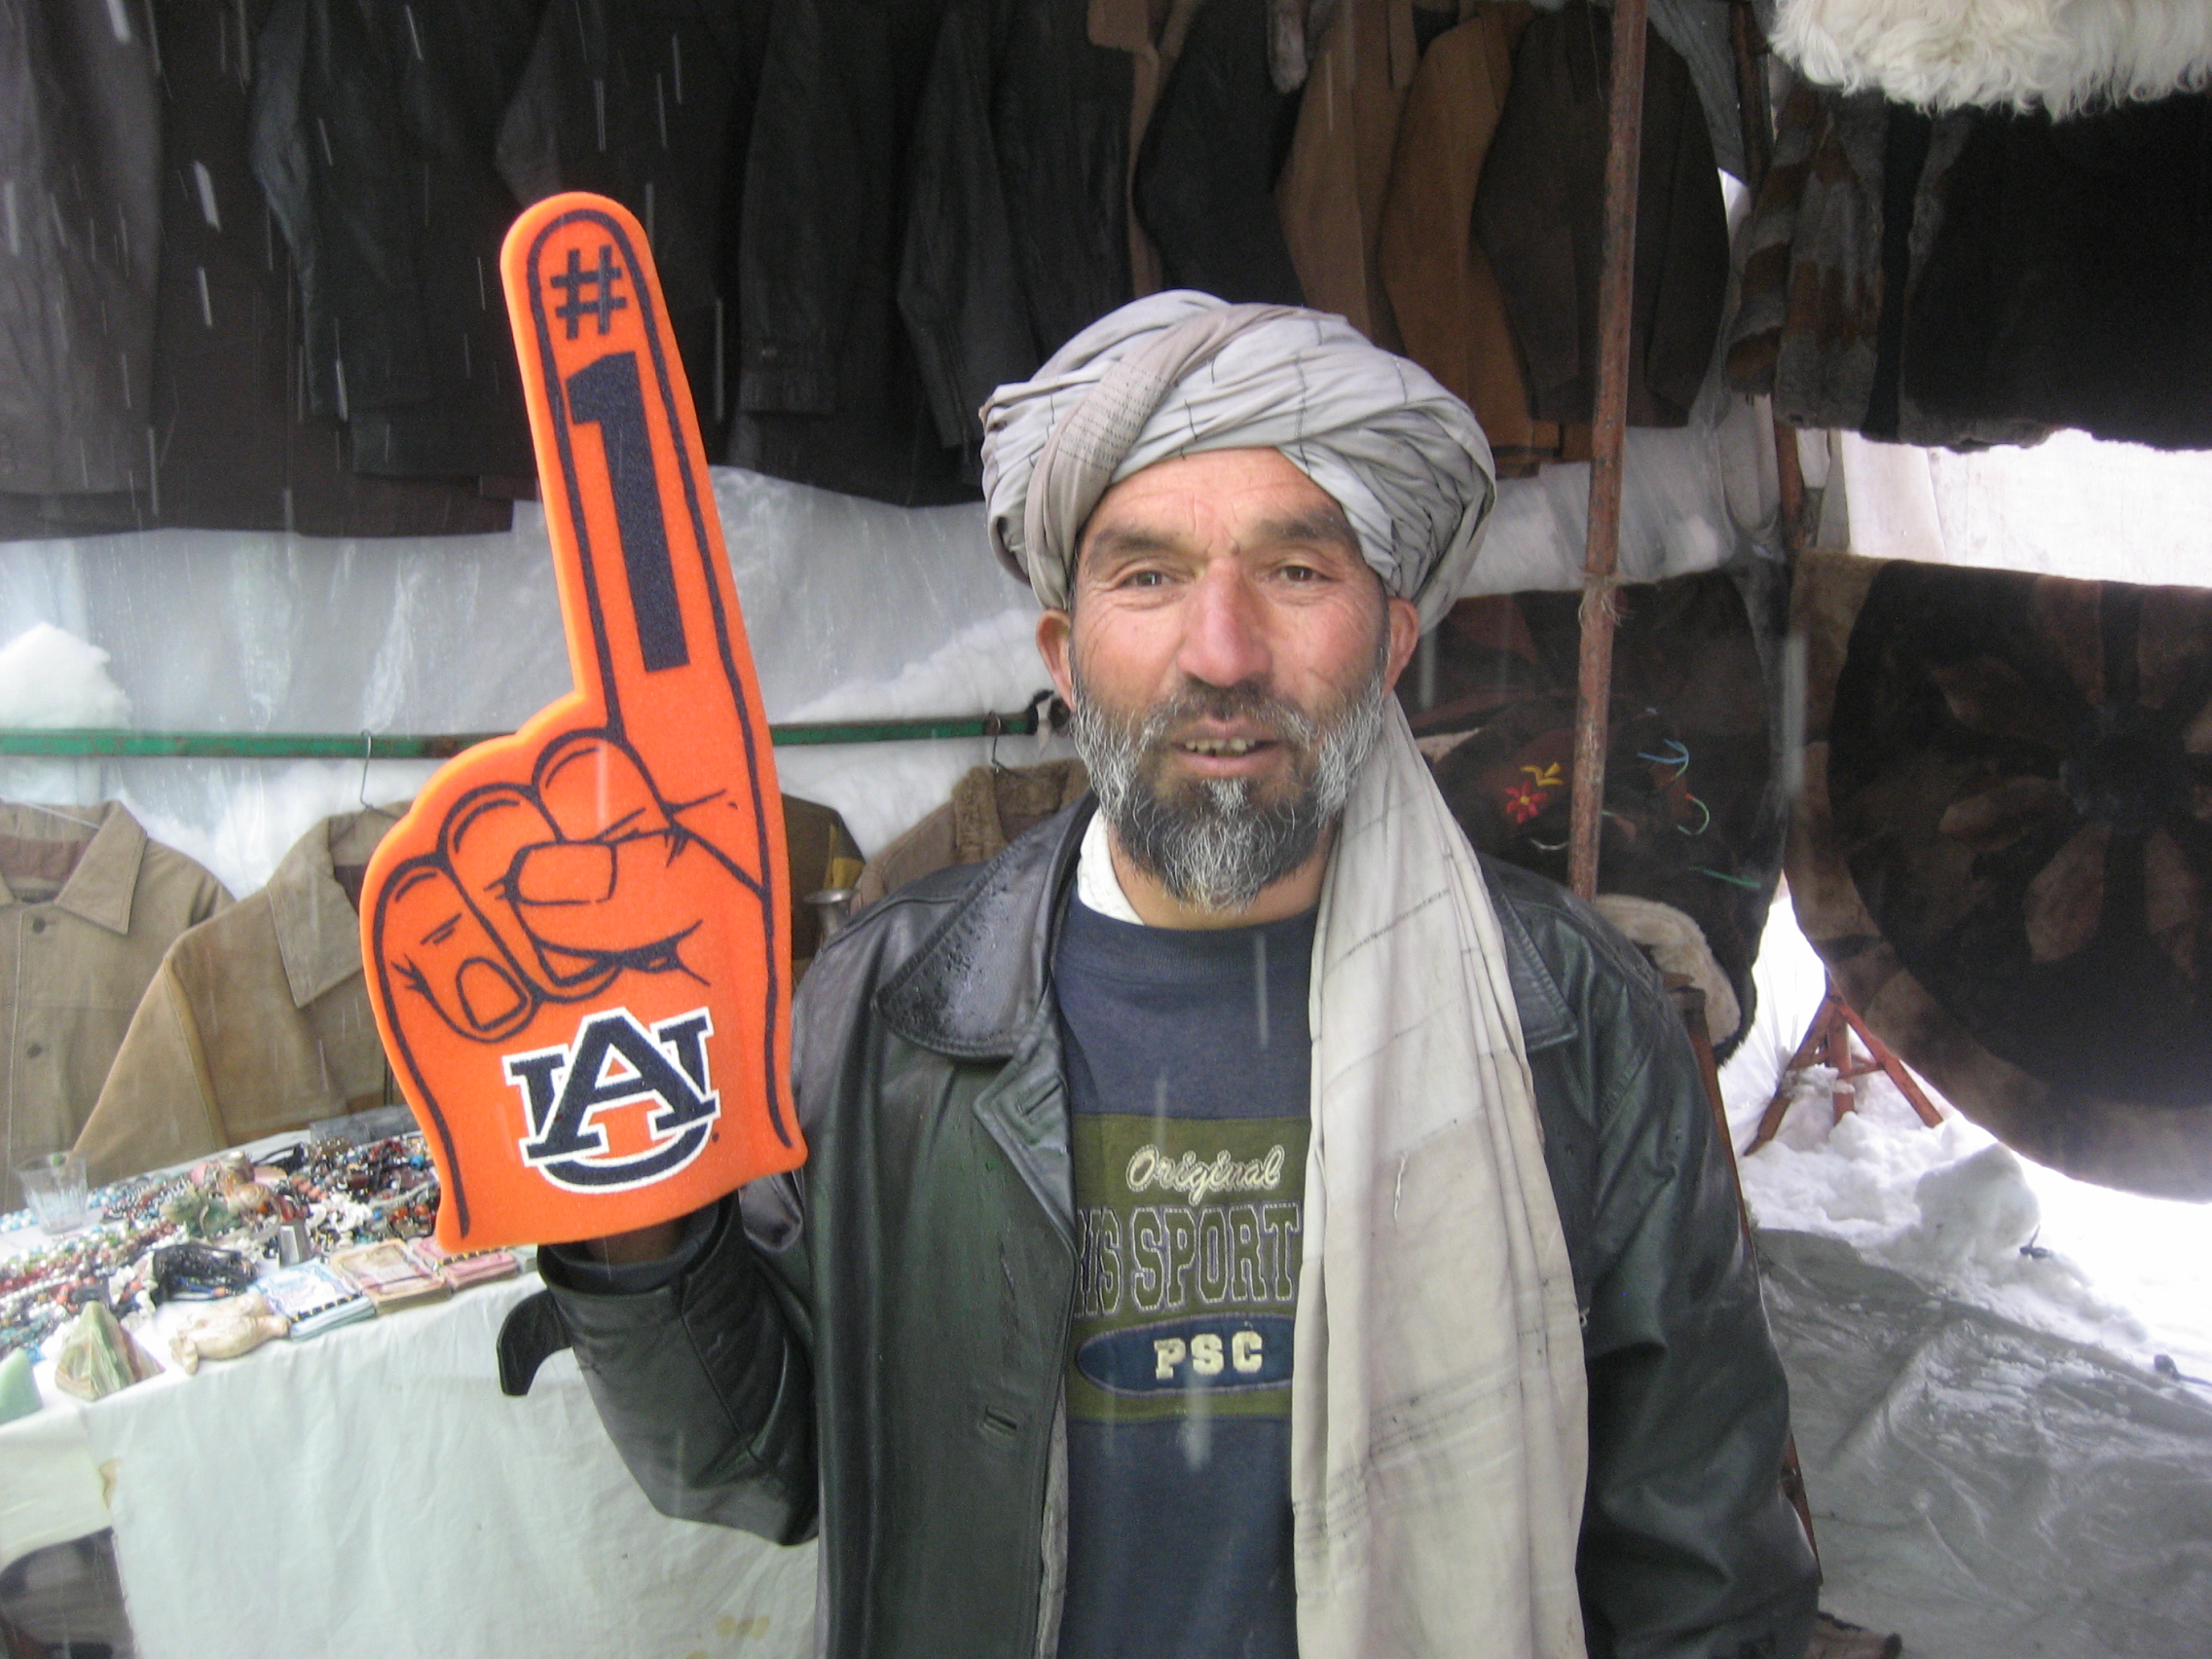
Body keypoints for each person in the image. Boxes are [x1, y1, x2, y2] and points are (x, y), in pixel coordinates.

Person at [536, 293, 1821, 1659]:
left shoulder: (1565, 1015)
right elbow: (756, 1463)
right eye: (1147, 577)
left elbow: (1697, 1554)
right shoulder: (898, 1005)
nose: (1221, 654)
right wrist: (630, 1207)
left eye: (1296, 573)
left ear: (1390, 640)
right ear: (1066, 658)